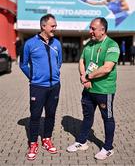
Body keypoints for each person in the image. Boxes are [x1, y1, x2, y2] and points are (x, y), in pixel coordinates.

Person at [67, 17, 120, 160]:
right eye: (90, 28)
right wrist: (83, 77)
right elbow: (82, 61)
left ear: (102, 30)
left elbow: (107, 68)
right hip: (88, 90)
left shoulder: (112, 45)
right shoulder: (89, 44)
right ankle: (81, 142)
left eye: (93, 28)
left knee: (107, 118)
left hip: (104, 90)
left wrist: (88, 76)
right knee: (87, 117)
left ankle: (108, 148)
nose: (90, 31)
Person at [19, 14, 62, 160]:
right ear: (43, 26)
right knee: (36, 116)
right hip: (38, 87)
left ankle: (47, 139)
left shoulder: (57, 43)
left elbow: (59, 62)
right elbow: (23, 64)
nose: (55, 28)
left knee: (50, 114)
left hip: (55, 86)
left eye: (55, 25)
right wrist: (33, 76)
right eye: (52, 25)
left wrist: (55, 74)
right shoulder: (30, 44)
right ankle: (33, 143)